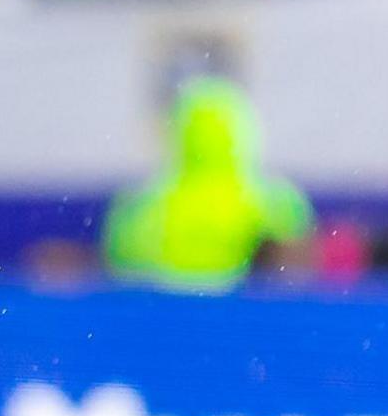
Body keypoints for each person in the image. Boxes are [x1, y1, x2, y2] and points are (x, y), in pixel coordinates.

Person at [103, 77, 314, 291]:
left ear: (176, 134)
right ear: (245, 132)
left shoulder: (140, 209)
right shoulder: (275, 205)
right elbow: (293, 281)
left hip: (166, 320)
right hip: (245, 321)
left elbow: (120, 278)